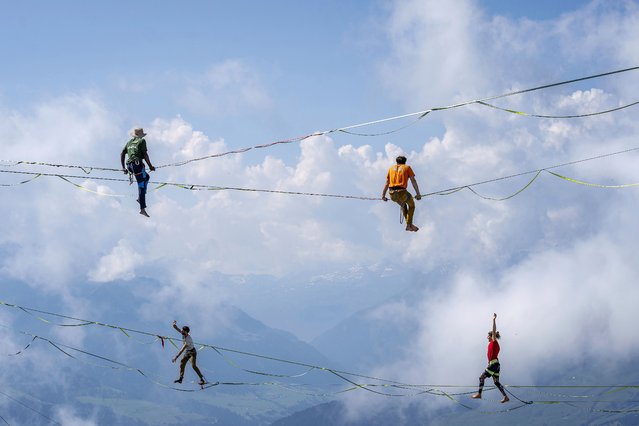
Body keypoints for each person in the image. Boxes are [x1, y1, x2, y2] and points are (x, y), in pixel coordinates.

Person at [471, 313, 510, 403]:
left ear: (492, 336)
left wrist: (493, 320)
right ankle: (506, 397)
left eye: (488, 335)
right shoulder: (492, 344)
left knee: (481, 378)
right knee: (496, 382)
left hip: (494, 364)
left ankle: (479, 394)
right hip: (496, 365)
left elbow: (494, 330)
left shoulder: (494, 341)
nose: (487, 337)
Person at [120, 128, 155, 217]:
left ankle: (140, 197)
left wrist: (124, 168)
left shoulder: (129, 142)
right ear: (141, 135)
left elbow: (122, 153)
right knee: (141, 185)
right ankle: (142, 208)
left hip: (130, 166)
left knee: (146, 177)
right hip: (137, 165)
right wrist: (150, 166)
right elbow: (145, 154)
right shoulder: (142, 141)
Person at [381, 155, 422, 232]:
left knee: (403, 206)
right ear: (405, 162)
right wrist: (418, 194)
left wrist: (383, 195)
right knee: (412, 206)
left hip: (392, 194)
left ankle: (409, 225)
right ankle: (409, 225)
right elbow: (413, 181)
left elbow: (387, 183)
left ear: (397, 162)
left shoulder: (391, 169)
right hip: (402, 193)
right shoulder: (407, 167)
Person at [172, 320, 206, 386]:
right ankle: (181, 379)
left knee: (193, 366)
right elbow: (175, 327)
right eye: (181, 330)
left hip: (192, 352)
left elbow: (182, 350)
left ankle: (202, 379)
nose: (181, 331)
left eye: (183, 331)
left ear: (186, 332)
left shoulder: (188, 339)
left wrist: (176, 357)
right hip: (187, 352)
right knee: (182, 363)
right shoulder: (183, 333)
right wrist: (174, 323)